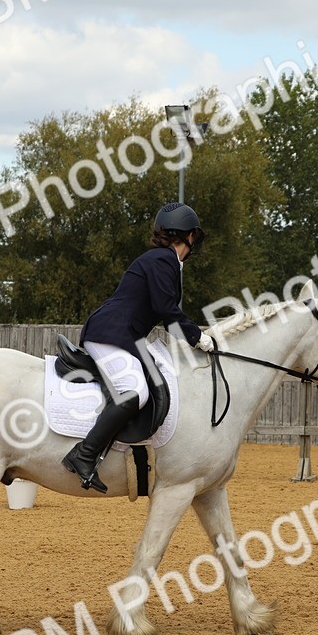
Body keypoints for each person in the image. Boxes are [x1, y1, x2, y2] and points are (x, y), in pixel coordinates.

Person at [61, 202, 215, 493]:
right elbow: (167, 311)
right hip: (111, 333)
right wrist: (199, 338)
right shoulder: (162, 260)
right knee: (135, 392)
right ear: (189, 236)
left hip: (124, 336)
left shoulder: (163, 260)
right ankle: (84, 454)